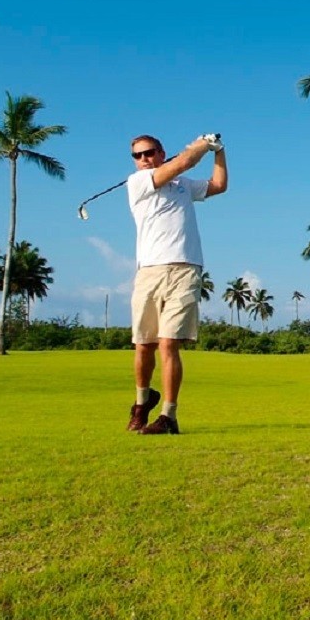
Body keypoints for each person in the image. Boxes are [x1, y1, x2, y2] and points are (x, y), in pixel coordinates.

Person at [125, 132, 227, 435]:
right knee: (144, 345)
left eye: (150, 152)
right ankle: (142, 401)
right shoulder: (138, 181)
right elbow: (184, 162)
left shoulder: (183, 185)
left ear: (161, 152)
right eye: (138, 155)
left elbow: (219, 185)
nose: (144, 159)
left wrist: (219, 151)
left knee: (169, 343)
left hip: (185, 268)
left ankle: (168, 416)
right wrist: (202, 144)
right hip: (149, 271)